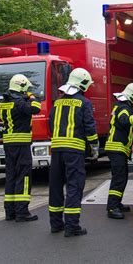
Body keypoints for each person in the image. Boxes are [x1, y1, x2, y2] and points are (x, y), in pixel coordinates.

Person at [48, 67, 98, 237]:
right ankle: (72, 226)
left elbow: (50, 124)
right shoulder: (84, 103)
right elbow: (89, 127)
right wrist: (94, 146)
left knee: (55, 186)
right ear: (83, 84)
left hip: (56, 150)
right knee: (74, 186)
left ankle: (56, 223)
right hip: (74, 151)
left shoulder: (57, 102)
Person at [0, 74, 41, 222]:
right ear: (21, 87)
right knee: (24, 176)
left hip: (8, 145)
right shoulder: (20, 103)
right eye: (25, 89)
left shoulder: (2, 103)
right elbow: (36, 108)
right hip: (21, 145)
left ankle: (10, 212)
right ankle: (22, 212)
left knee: (10, 177)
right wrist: (32, 96)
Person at [105, 83, 133, 219]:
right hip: (117, 148)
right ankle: (112, 207)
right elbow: (123, 120)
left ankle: (117, 203)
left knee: (121, 177)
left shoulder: (120, 106)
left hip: (116, 148)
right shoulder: (124, 108)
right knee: (119, 178)